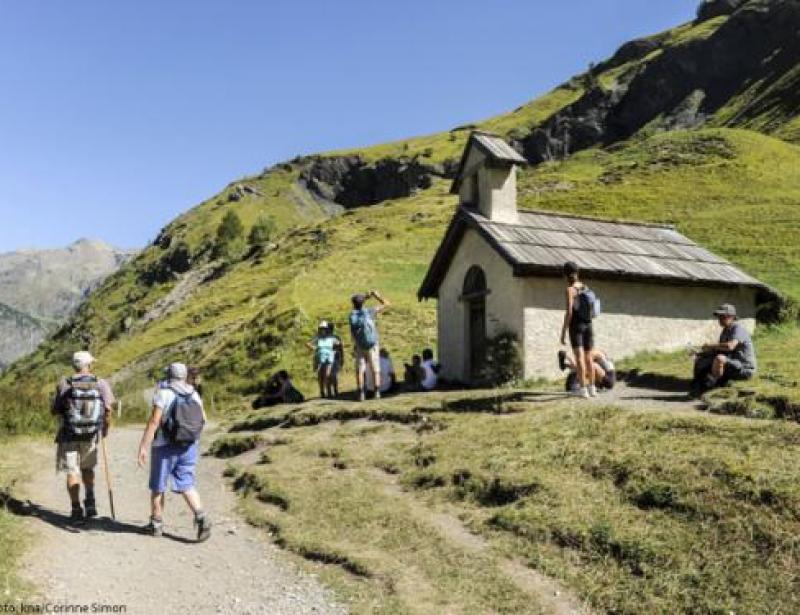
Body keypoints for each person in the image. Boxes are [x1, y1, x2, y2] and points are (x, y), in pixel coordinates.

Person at [137, 362, 212, 541]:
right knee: (186, 483)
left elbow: (154, 422)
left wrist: (143, 446)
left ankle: (156, 524)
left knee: (158, 486)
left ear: (169, 375)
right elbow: (204, 419)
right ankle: (201, 517)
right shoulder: (193, 393)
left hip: (164, 446)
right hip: (188, 445)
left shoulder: (163, 393)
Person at [51, 351, 116, 524]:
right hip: (91, 435)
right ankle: (90, 501)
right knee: (88, 468)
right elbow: (108, 410)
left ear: (74, 365)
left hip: (68, 435)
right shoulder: (100, 383)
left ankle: (76, 509)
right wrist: (105, 429)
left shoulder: (64, 383)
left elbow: (55, 410)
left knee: (72, 471)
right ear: (89, 365)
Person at [691, 304, 757, 397]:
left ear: (732, 317)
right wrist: (700, 353)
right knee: (702, 359)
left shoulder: (738, 329)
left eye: (723, 316)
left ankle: (713, 387)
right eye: (719, 317)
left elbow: (730, 346)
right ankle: (698, 387)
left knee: (719, 359)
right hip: (732, 363)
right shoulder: (725, 331)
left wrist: (711, 346)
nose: (720, 319)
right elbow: (720, 350)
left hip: (743, 367)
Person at [559, 261, 596, 399]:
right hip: (588, 324)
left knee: (579, 359)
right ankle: (592, 388)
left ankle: (583, 390)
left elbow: (569, 312)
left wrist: (563, 331)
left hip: (576, 326)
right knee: (589, 358)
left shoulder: (570, 290)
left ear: (565, 275)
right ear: (577, 273)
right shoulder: (585, 287)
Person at [349, 290, 391, 402]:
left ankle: (361, 393)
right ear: (363, 303)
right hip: (372, 344)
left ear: (353, 303)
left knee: (360, 369)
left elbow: (353, 332)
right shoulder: (369, 312)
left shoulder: (352, 315)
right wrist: (377, 296)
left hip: (359, 345)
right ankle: (377, 393)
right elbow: (387, 304)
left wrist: (364, 297)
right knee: (375, 368)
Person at [307, 321, 339, 399]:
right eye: (321, 329)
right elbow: (308, 343)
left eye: (324, 328)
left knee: (327, 375)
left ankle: (329, 392)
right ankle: (322, 392)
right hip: (319, 358)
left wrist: (334, 350)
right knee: (320, 375)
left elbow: (338, 343)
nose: (322, 330)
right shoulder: (317, 337)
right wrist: (314, 348)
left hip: (329, 357)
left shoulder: (331, 337)